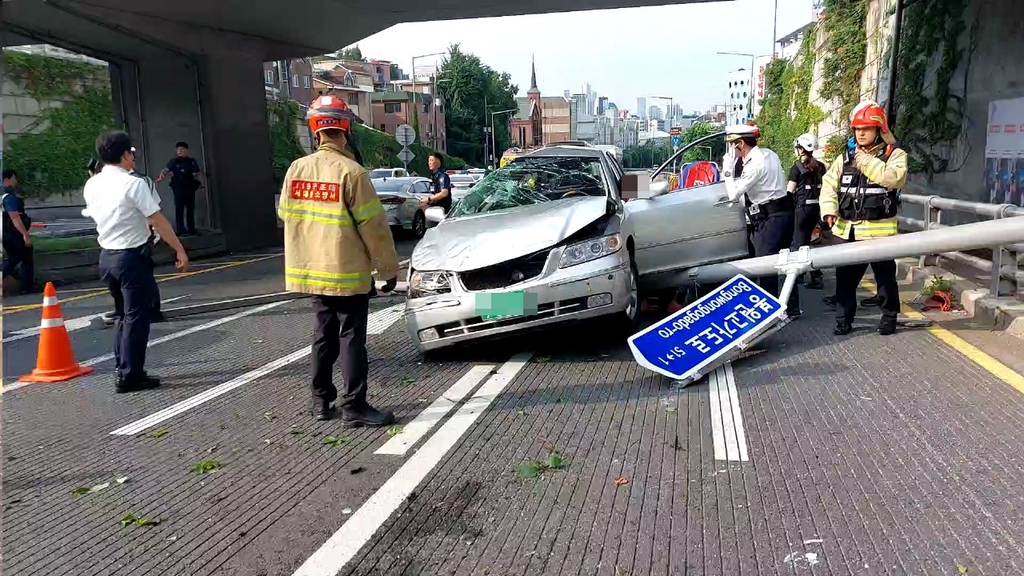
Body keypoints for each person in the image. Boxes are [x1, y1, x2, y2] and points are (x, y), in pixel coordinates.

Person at [278, 95, 400, 425]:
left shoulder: (296, 170)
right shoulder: (352, 172)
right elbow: (374, 227)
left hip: (313, 272)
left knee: (322, 335)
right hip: (347, 273)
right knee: (351, 338)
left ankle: (320, 402)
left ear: (315, 129)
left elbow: (284, 214)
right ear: (345, 127)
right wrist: (388, 269)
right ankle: (354, 406)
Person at [83, 131, 189, 393]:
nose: (134, 157)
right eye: (131, 152)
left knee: (122, 315)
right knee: (136, 318)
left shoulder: (92, 184)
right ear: (123, 155)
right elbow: (157, 220)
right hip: (132, 256)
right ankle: (131, 375)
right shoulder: (134, 184)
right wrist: (179, 249)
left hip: (107, 257)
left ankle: (122, 366)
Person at [819, 100, 908, 336]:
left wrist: (865, 161)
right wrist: (829, 208)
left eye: (866, 129)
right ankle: (843, 320)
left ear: (879, 129)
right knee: (845, 281)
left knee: (885, 281)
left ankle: (889, 317)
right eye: (857, 129)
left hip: (880, 234)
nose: (860, 134)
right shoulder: (845, 157)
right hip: (847, 231)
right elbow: (829, 183)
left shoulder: (895, 155)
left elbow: (894, 178)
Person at [721, 124, 801, 318]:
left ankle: (769, 314)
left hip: (771, 218)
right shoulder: (768, 154)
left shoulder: (756, 164)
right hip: (779, 214)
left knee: (767, 266)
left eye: (732, 144)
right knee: (782, 261)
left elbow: (733, 194)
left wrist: (727, 169)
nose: (731, 150)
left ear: (740, 143)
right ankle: (791, 307)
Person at [787, 133, 827, 290]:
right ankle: (814, 275)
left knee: (798, 243)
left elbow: (790, 191)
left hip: (802, 210)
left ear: (801, 148)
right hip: (816, 210)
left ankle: (803, 276)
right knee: (807, 243)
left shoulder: (797, 167)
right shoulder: (821, 166)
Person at [155, 141, 203, 236]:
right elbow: (165, 170)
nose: (180, 151)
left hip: (189, 187)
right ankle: (181, 229)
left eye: (182, 149)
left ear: (186, 150)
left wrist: (202, 185)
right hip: (178, 188)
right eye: (178, 150)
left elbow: (197, 174)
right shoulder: (174, 161)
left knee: (190, 208)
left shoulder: (192, 161)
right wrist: (162, 176)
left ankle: (191, 229)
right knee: (179, 208)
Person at [2, 169, 36, 294]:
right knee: (20, 257)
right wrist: (25, 235)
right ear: (7, 179)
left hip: (6, 233)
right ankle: (28, 286)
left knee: (16, 257)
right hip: (13, 233)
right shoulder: (9, 197)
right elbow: (15, 217)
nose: (15, 181)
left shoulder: (3, 196)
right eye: (14, 178)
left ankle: (27, 285)